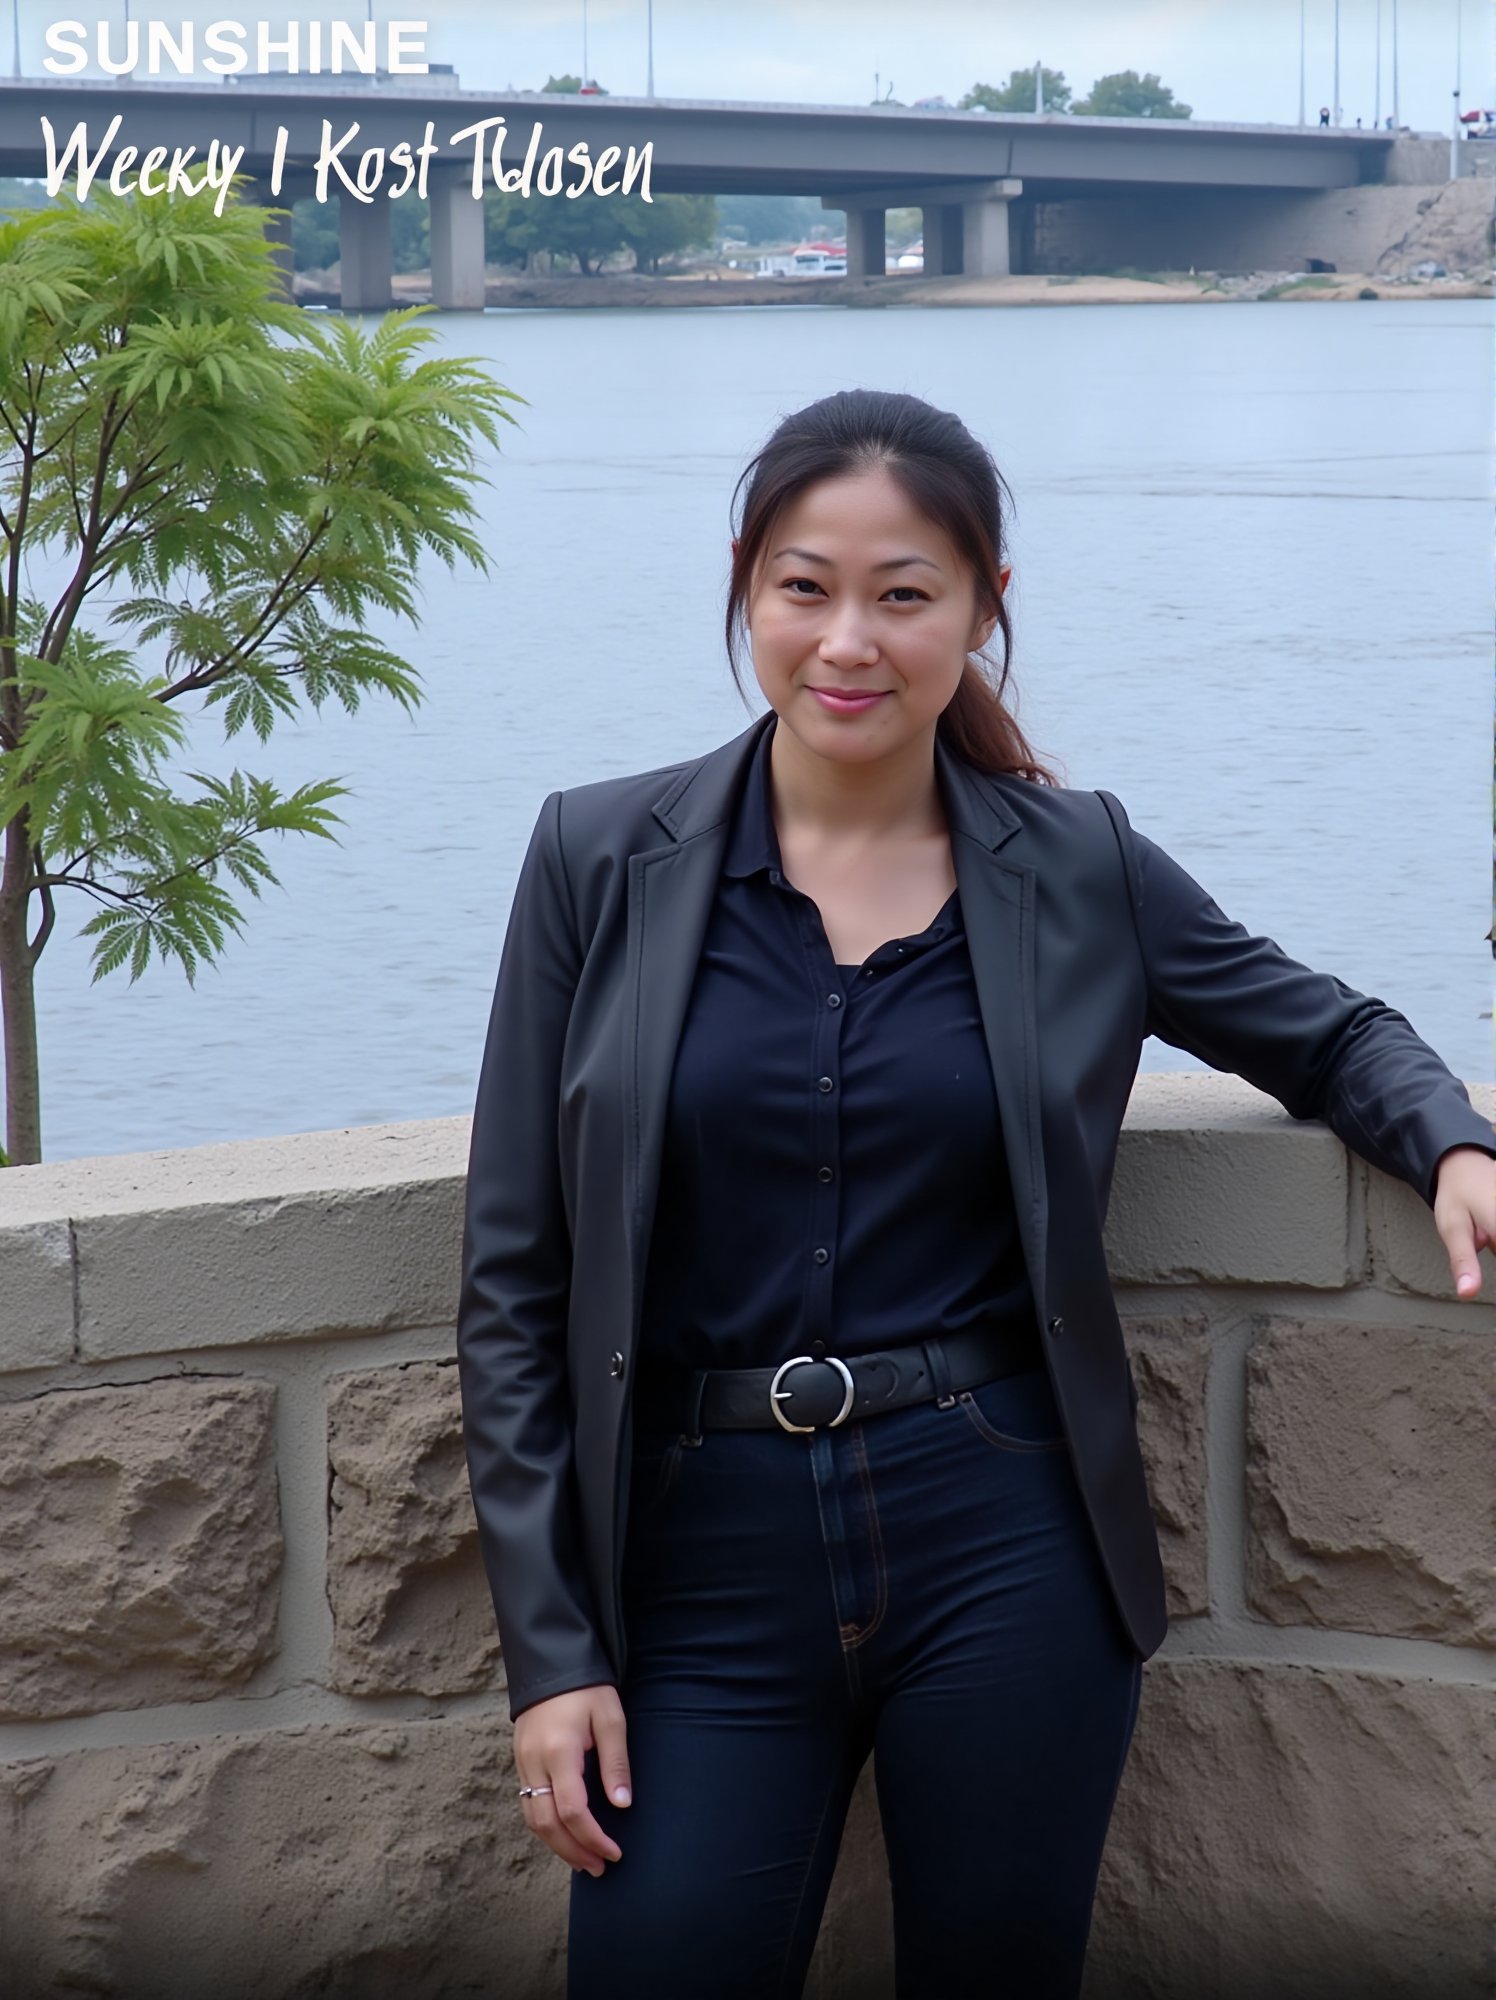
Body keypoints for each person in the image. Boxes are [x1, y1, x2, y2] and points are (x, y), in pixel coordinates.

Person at [456, 389, 1496, 1999]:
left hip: (1002, 1535)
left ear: (983, 606)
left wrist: (1452, 1138)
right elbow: (514, 1281)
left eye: (905, 592)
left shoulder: (1078, 867)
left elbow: (1329, 1031)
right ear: (745, 583)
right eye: (805, 587)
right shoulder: (601, 858)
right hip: (695, 1553)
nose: (848, 640)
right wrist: (554, 1653)